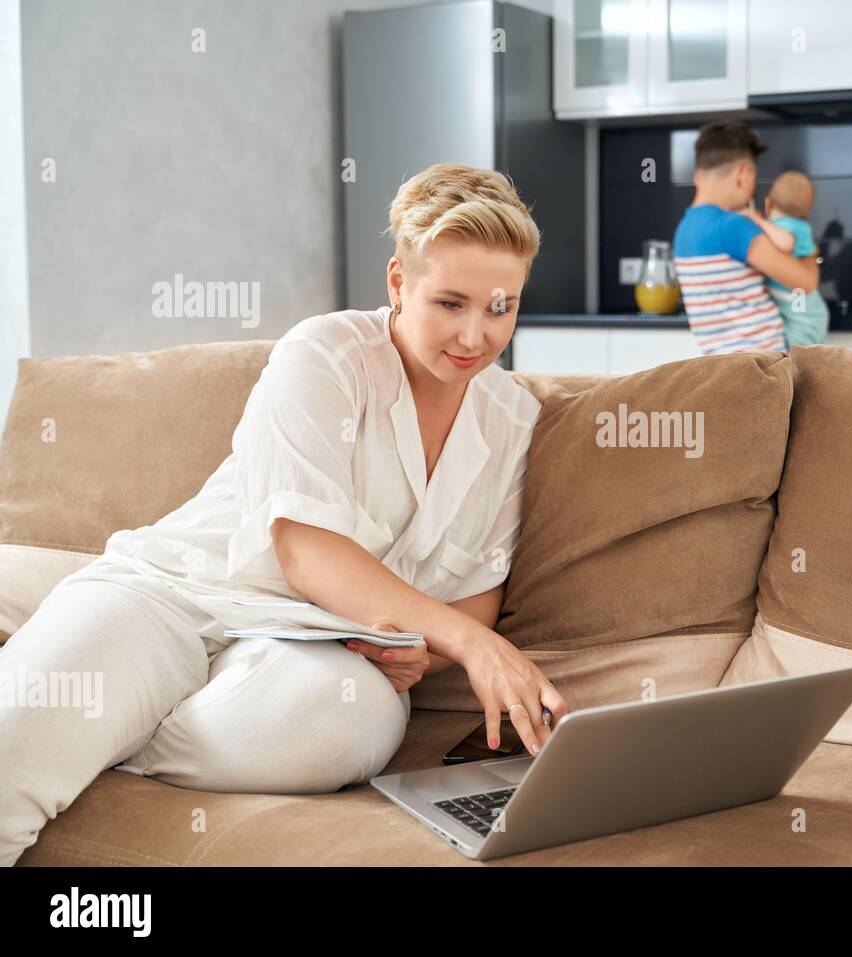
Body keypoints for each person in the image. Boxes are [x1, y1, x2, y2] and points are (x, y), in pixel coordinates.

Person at [0, 162, 570, 866]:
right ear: (398, 282)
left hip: (314, 650)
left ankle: (107, 737)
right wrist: (473, 647)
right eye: (450, 303)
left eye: (500, 307)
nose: (476, 336)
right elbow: (306, 549)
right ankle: (80, 720)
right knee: (13, 745)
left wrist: (414, 647)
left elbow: (477, 589)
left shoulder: (511, 417)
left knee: (354, 719)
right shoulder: (324, 354)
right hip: (177, 596)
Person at [671, 121, 820, 355]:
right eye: (753, 179)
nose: (752, 191)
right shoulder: (733, 227)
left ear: (698, 175)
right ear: (743, 174)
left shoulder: (683, 230)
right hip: (764, 366)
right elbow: (805, 282)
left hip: (722, 368)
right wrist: (808, 250)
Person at [741, 170, 830, 346]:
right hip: (804, 308)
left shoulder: (788, 227)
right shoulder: (800, 226)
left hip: (802, 312)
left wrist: (759, 221)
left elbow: (786, 243)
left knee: (796, 357)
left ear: (768, 204)